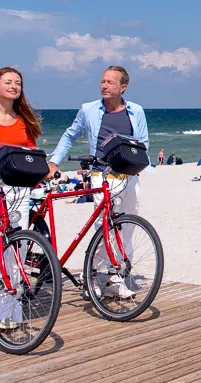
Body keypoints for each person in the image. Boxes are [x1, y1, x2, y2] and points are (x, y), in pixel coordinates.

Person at [47, 65, 149, 299]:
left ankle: (119, 274)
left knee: (127, 227)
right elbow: (70, 134)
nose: (104, 86)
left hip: (129, 175)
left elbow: (143, 142)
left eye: (110, 83)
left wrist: (137, 164)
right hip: (102, 175)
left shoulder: (136, 111)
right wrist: (54, 161)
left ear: (123, 87)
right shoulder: (89, 110)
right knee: (104, 227)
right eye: (103, 81)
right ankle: (99, 275)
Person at [0, 67, 43, 329]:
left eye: (17, 83)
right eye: (8, 82)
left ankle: (10, 312)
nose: (13, 86)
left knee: (16, 248)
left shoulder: (23, 119)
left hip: (17, 189)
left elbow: (31, 152)